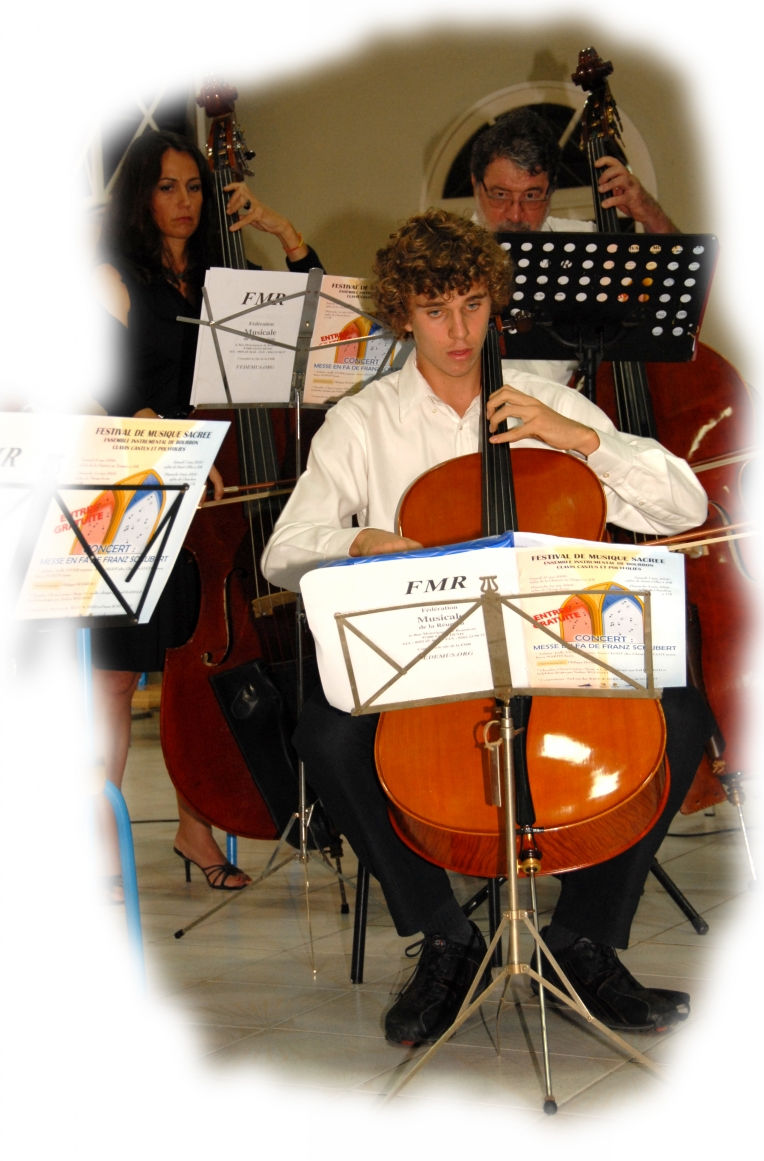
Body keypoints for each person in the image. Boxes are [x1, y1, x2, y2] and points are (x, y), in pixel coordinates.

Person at [261, 208, 713, 1047]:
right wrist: (360, 541)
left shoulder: (547, 401)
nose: (459, 331)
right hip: (431, 655)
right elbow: (284, 549)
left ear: (494, 301)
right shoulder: (362, 420)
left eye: (472, 304)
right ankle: (445, 937)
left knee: (679, 713)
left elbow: (682, 504)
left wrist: (578, 439)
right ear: (403, 315)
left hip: (555, 642)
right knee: (325, 735)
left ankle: (583, 940)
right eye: (435, 311)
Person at [91, 128, 324, 893]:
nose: (184, 202)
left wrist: (286, 236)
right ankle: (98, 841)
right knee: (116, 679)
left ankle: (197, 829)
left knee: (199, 670)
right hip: (139, 485)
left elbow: (318, 331)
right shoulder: (112, 278)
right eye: (168, 187)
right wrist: (157, 427)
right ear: (140, 195)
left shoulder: (231, 279)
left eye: (195, 186)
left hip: (217, 504)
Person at [469, 107, 679, 385]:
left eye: (531, 196)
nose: (515, 215)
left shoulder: (585, 244)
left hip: (571, 407)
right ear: (476, 184)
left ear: (551, 191)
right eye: (500, 195)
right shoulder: (441, 256)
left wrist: (650, 213)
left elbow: (673, 280)